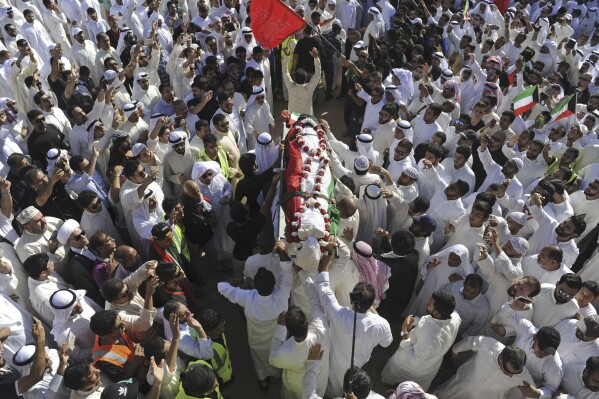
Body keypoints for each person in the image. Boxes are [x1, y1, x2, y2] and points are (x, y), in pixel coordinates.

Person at [314, 236, 392, 397]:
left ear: (350, 299)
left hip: (337, 358)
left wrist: (326, 263)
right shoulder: (382, 324)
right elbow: (387, 342)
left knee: (335, 381)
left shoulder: (338, 314)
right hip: (360, 361)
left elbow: (324, 289)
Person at [218, 240, 293, 391]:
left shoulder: (247, 297)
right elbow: (287, 271)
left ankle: (263, 382)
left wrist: (244, 279)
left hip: (255, 341)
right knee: (275, 358)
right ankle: (276, 374)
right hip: (275, 340)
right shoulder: (281, 297)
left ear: (255, 285)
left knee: (259, 362)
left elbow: (221, 286)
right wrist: (282, 252)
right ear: (274, 285)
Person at [381, 291, 461, 390]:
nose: (427, 301)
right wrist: (416, 321)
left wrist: (404, 331)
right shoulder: (454, 317)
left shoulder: (431, 337)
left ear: (437, 313)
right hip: (429, 365)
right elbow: (430, 322)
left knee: (397, 378)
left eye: (430, 303)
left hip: (410, 367)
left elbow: (414, 360)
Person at [434, 340, 533, 399]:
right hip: (460, 386)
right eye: (507, 371)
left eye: (516, 373)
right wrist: (455, 350)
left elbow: (536, 393)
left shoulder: (523, 375)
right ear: (501, 358)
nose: (511, 375)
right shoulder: (489, 345)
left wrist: (538, 394)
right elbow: (470, 341)